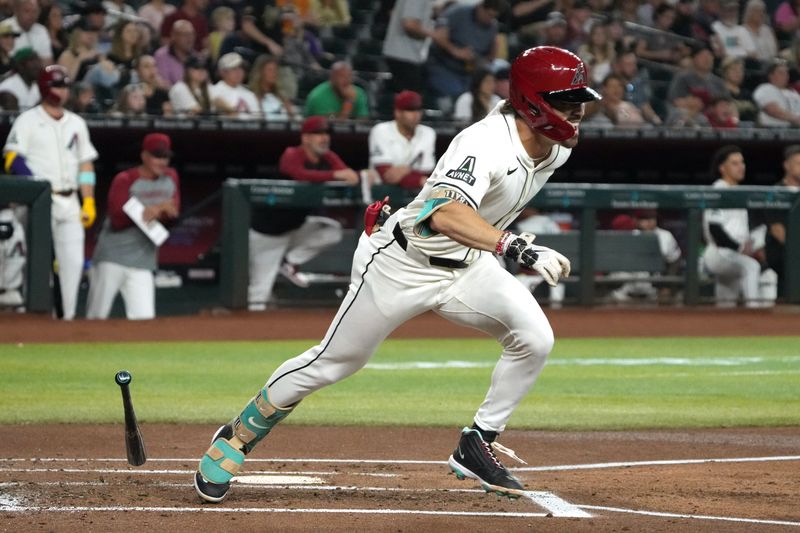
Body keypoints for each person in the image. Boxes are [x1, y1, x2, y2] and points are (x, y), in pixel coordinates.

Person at [194, 46, 598, 503]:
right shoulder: (485, 143)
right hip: (402, 264)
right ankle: (239, 434)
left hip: (468, 267)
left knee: (535, 338)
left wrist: (503, 244)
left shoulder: (555, 149)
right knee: (336, 362)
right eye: (567, 101)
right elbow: (443, 213)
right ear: (532, 101)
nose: (577, 111)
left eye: (579, 101)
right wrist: (515, 245)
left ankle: (477, 442)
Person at [3, 65, 99, 320]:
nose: (63, 91)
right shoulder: (28, 120)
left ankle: (66, 320)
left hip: (70, 200)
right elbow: (12, 158)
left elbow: (85, 164)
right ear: (46, 88)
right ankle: (33, 319)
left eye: (65, 86)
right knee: (36, 264)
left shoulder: (77, 123)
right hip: (39, 202)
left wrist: (88, 200)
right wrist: (36, 184)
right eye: (59, 85)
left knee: (73, 264)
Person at [247, 115, 361, 311]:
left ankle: (290, 262)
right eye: (317, 133)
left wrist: (357, 175)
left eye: (326, 133)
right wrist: (334, 175)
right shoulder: (292, 154)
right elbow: (299, 174)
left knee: (331, 230)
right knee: (258, 298)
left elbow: (349, 175)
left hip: (296, 229)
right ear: (305, 138)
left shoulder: (328, 157)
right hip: (267, 235)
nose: (324, 138)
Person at [86, 133, 180, 320]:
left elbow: (173, 212)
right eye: (157, 155)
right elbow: (117, 219)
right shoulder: (126, 179)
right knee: (96, 316)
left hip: (143, 261)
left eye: (165, 156)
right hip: (112, 257)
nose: (162, 161)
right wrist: (149, 211)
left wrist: (162, 211)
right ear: (144, 156)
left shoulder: (171, 177)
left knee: (144, 320)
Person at [702, 145, 776, 308]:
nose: (741, 166)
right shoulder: (719, 189)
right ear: (722, 168)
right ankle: (753, 310)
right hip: (719, 252)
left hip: (733, 255)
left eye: (742, 162)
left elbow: (736, 229)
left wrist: (750, 242)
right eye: (734, 163)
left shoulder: (736, 190)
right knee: (751, 267)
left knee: (725, 306)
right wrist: (740, 247)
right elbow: (715, 229)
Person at [426, 0, 503, 107]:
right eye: (488, 15)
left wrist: (484, 59)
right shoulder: (459, 11)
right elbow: (438, 35)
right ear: (481, 8)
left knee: (475, 96)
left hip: (469, 71)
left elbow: (491, 56)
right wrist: (456, 51)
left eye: (493, 16)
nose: (490, 19)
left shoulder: (492, 25)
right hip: (443, 65)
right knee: (455, 95)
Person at [609, 209, 682, 303]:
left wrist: (666, 286)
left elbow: (674, 261)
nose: (649, 221)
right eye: (644, 218)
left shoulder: (665, 235)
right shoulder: (629, 233)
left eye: (652, 218)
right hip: (624, 291)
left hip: (653, 290)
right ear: (635, 220)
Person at [368, 90, 436, 190]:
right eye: (410, 110)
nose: (415, 115)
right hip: (382, 193)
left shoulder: (428, 133)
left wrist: (406, 170)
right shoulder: (380, 130)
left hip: (416, 195)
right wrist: (418, 180)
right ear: (398, 113)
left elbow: (428, 171)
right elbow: (386, 175)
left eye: (418, 110)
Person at [762, 144, 800, 295]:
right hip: (780, 250)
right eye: (798, 163)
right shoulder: (775, 193)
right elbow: (778, 232)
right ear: (786, 166)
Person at [382, 0, 435, 94]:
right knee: (409, 103)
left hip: (407, 55)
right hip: (403, 55)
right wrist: (436, 36)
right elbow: (409, 25)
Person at [304, 61, 369, 120]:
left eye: (349, 76)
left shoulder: (359, 93)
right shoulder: (318, 96)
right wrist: (349, 102)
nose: (347, 80)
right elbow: (325, 128)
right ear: (332, 78)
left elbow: (363, 121)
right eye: (342, 76)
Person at [752, 60, 800, 127]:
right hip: (771, 132)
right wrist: (796, 119)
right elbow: (772, 110)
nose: (785, 75)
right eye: (781, 73)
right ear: (771, 75)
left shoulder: (794, 93)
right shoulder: (764, 89)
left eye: (786, 73)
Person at [211, 52, 259, 118]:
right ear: (222, 72)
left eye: (241, 68)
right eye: (234, 69)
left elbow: (258, 120)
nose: (239, 72)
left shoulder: (250, 94)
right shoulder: (213, 92)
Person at [7, 0, 52, 65]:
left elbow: (48, 61)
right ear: (17, 11)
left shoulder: (42, 30)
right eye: (27, 11)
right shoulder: (4, 29)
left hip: (38, 72)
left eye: (35, 11)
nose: (31, 15)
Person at [154, 19, 196, 87]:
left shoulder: (196, 56)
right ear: (173, 36)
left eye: (192, 34)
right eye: (185, 34)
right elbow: (164, 85)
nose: (190, 38)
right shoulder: (161, 56)